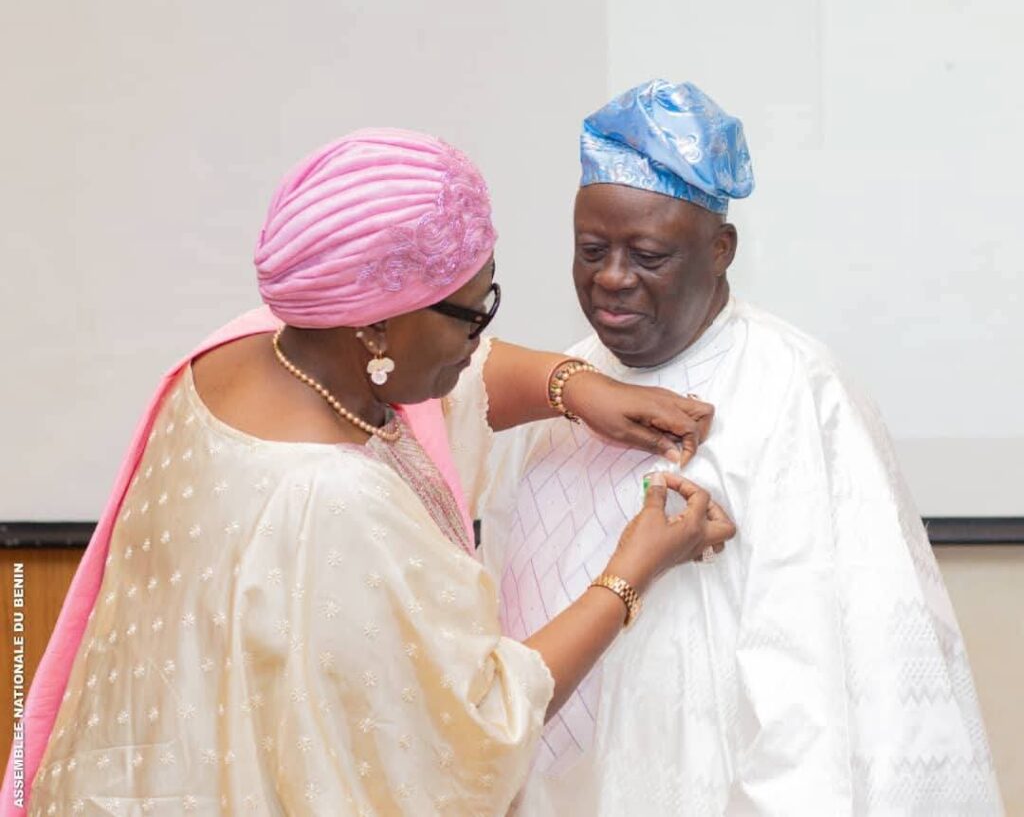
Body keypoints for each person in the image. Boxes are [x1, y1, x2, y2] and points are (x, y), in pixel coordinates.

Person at [1, 129, 735, 816]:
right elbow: (477, 724)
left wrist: (571, 385)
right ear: (376, 327)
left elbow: (450, 384)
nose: (480, 339)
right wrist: (632, 571)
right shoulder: (335, 501)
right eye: (472, 314)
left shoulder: (248, 351)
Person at [483, 80, 1004, 815]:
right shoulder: (565, 385)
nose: (612, 279)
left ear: (720, 250)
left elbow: (813, 668)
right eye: (591, 250)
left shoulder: (793, 387)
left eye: (648, 255)